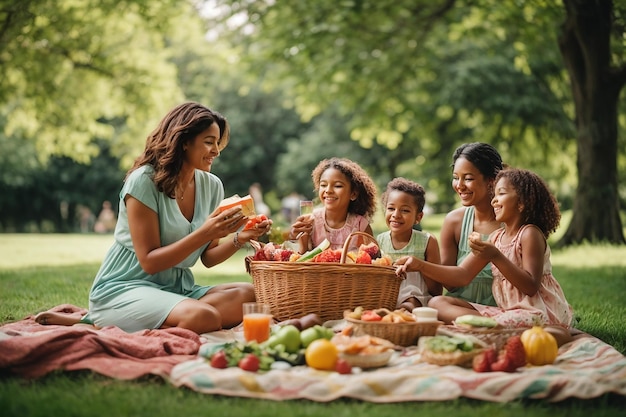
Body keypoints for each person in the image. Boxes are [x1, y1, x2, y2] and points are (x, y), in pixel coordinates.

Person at [35, 102, 272, 334]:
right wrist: (206, 232)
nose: (217, 151)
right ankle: (101, 319)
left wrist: (241, 237)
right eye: (209, 142)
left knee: (253, 296)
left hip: (178, 290)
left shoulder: (211, 186)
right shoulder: (143, 181)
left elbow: (208, 258)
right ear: (184, 142)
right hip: (126, 286)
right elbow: (149, 261)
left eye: (217, 143)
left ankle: (121, 320)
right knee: (204, 316)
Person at [395, 168, 574, 346]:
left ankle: (525, 332)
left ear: (521, 203)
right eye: (494, 194)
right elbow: (463, 274)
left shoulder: (529, 234)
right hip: (506, 312)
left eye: (501, 193)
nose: (494, 200)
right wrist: (419, 265)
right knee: (436, 303)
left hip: (536, 312)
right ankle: (494, 329)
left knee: (555, 333)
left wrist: (496, 257)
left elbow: (531, 286)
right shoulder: (496, 237)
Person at [437, 142, 504, 307]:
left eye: (468, 178)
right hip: (464, 307)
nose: (459, 185)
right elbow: (451, 284)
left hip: (505, 308)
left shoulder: (511, 222)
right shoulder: (453, 221)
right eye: (455, 177)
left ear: (491, 180)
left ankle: (492, 325)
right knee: (436, 303)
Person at [376, 178, 442, 311]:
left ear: (418, 217)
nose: (396, 215)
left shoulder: (427, 241)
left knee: (410, 301)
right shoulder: (380, 241)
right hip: (386, 297)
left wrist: (419, 266)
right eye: (391, 208)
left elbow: (436, 290)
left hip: (417, 300)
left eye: (405, 210)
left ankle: (402, 314)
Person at [288, 157, 377, 252]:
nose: (328, 190)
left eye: (337, 186)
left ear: (353, 194)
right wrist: (298, 239)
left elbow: (373, 259)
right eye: (323, 185)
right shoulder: (310, 222)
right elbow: (302, 258)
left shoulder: (360, 225)